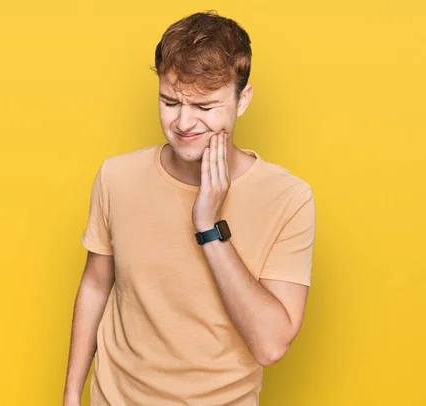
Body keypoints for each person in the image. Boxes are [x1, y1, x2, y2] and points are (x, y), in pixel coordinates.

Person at [63, 10, 316, 406]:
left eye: (204, 107)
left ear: (242, 100)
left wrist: (210, 225)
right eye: (170, 101)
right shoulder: (117, 176)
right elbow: (96, 285)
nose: (183, 122)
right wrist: (71, 396)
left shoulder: (289, 198)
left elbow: (270, 345)